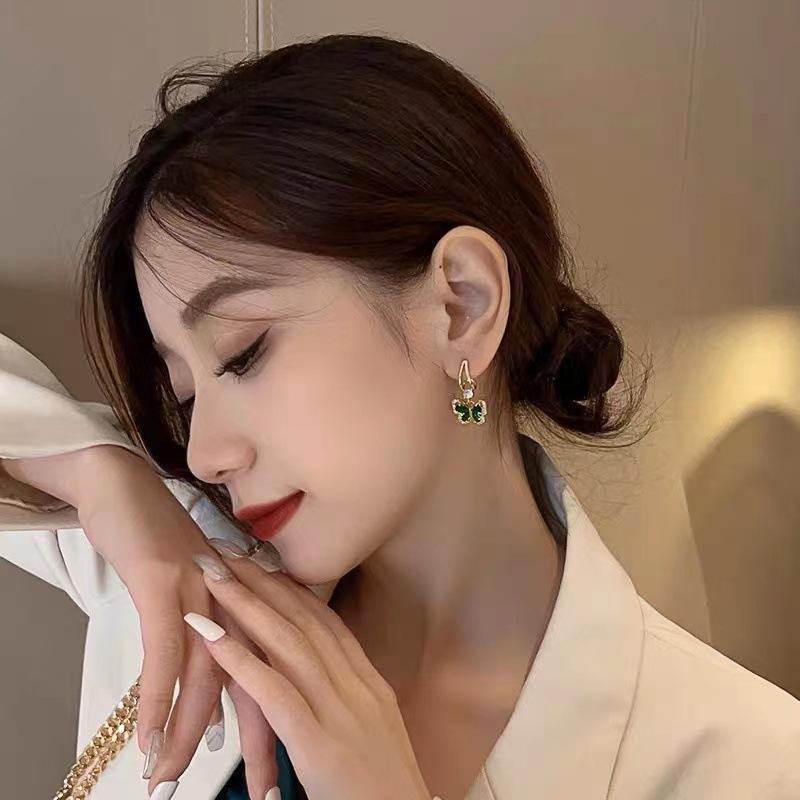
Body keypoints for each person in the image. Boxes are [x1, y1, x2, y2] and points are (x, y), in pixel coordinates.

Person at [1, 32, 798, 800]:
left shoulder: (751, 763)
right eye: (184, 396)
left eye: (243, 353)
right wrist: (100, 476)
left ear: (461, 306)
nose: (205, 453)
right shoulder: (176, 578)